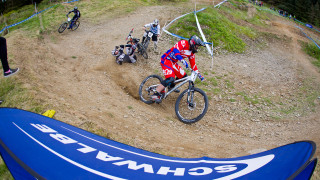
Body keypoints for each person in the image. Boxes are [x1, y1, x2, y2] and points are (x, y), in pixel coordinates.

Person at [151, 35, 205, 103]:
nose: (197, 48)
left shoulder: (191, 53)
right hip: (166, 60)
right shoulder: (183, 43)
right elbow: (175, 50)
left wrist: (199, 74)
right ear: (192, 43)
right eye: (197, 46)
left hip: (173, 63)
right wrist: (182, 60)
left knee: (183, 76)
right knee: (170, 78)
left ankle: (171, 86)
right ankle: (155, 94)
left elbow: (193, 65)